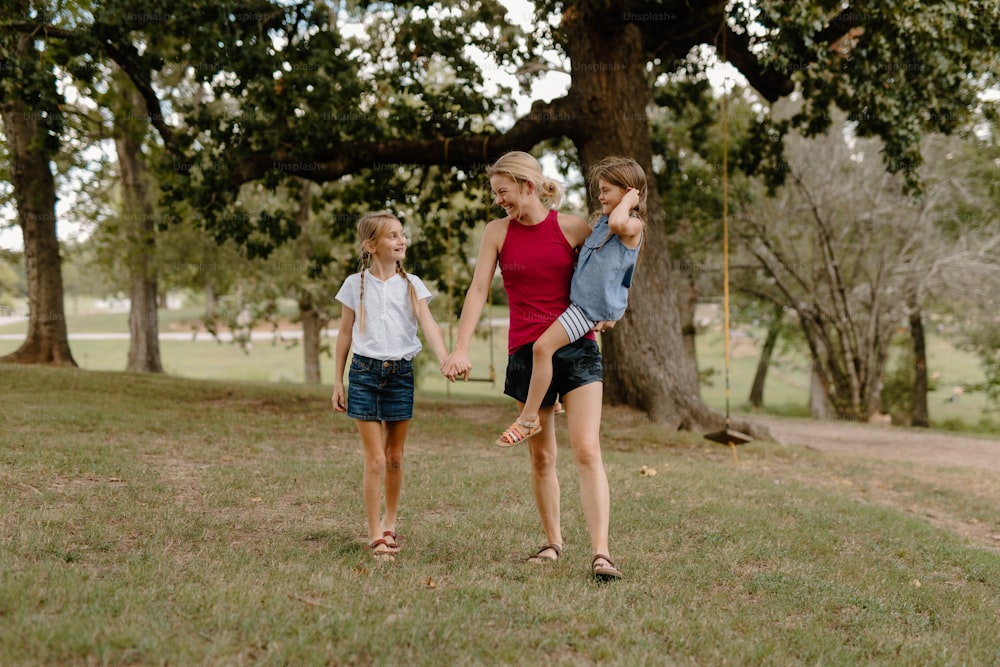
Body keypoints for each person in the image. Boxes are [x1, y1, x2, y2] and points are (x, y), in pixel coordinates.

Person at [442, 150, 624, 581]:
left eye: (502, 191)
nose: (498, 200)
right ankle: (552, 543)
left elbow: (615, 261)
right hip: (526, 352)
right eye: (494, 193)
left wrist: (613, 307)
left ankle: (601, 553)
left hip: (577, 346)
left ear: (527, 185)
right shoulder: (497, 233)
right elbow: (477, 290)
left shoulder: (572, 227)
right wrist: (461, 346)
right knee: (542, 457)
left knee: (587, 448)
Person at [496, 156, 645, 447]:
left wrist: (630, 200)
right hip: (583, 304)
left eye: (606, 191)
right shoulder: (602, 224)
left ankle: (528, 419)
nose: (600, 196)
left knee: (543, 346)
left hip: (588, 309)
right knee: (546, 349)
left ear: (627, 192)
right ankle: (554, 399)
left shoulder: (631, 224)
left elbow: (618, 223)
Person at [332, 210, 449, 561]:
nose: (401, 240)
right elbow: (343, 333)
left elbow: (429, 324)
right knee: (376, 459)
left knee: (395, 458)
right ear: (371, 245)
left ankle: (389, 524)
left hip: (400, 375)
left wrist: (446, 357)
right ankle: (373, 536)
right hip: (364, 374)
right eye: (392, 236)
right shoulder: (354, 285)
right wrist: (337, 381)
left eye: (402, 234)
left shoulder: (412, 284)